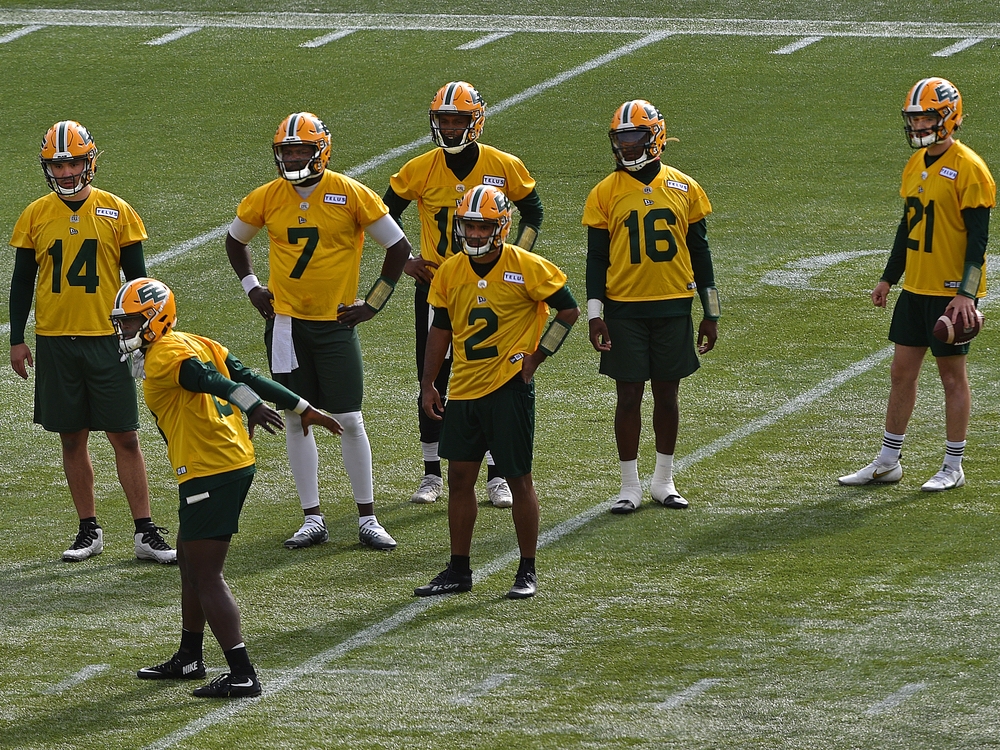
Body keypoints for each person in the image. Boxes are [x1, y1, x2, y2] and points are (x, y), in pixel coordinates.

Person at [116, 277, 342, 698]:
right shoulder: (195, 340)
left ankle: (242, 673)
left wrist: (254, 407)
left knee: (206, 575)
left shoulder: (167, 355)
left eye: (130, 322)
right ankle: (189, 656)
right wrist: (302, 406)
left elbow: (216, 382)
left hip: (210, 468)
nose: (123, 331)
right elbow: (250, 375)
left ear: (153, 319)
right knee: (188, 559)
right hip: (228, 460)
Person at [225, 112, 412, 550]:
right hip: (286, 324)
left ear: (320, 151)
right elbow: (236, 240)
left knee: (348, 418)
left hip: (333, 323)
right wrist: (252, 287)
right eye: (286, 151)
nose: (292, 158)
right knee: (296, 417)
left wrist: (373, 303)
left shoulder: (349, 193)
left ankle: (367, 516)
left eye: (300, 150)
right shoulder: (268, 196)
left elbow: (399, 246)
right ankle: (313, 518)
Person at [8, 120, 175, 563]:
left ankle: (144, 531)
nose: (65, 172)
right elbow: (22, 281)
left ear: (90, 161)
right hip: (56, 341)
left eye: (73, 162)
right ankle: (88, 529)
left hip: (109, 341)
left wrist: (145, 338)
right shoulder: (36, 213)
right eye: (57, 164)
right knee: (71, 438)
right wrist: (17, 338)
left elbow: (141, 285)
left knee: (125, 436)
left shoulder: (118, 211)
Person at [383, 81, 544, 509]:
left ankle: (497, 475)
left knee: (493, 376)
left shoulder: (503, 164)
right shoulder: (419, 168)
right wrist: (406, 261)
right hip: (441, 285)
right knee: (431, 374)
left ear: (475, 121)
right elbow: (383, 216)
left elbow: (534, 210)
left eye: (458, 120)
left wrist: (512, 259)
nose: (451, 129)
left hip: (495, 292)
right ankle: (431, 471)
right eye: (444, 121)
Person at [414, 184, 579, 599]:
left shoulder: (527, 265)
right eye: (467, 226)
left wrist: (538, 356)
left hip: (508, 388)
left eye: (481, 226)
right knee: (459, 479)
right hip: (465, 387)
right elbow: (441, 329)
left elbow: (569, 309)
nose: (472, 234)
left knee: (519, 479)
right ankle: (459, 569)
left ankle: (527, 569)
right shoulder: (451, 270)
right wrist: (429, 382)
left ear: (501, 227)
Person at [839, 77, 995, 491]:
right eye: (915, 118)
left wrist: (966, 293)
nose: (919, 125)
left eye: (926, 116)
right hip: (917, 288)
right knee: (900, 373)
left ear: (949, 116)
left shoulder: (970, 168)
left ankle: (953, 465)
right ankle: (889, 461)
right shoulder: (916, 163)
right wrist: (889, 278)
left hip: (950, 295)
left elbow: (979, 241)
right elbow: (907, 227)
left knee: (951, 378)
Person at [584, 100, 720, 515]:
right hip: (624, 309)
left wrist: (710, 312)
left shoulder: (684, 187)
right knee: (628, 396)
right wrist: (595, 314)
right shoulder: (605, 192)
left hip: (673, 305)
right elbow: (596, 259)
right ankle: (630, 486)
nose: (626, 147)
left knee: (667, 393)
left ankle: (663, 480)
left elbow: (702, 254)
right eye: (620, 139)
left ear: (655, 137)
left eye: (634, 137)